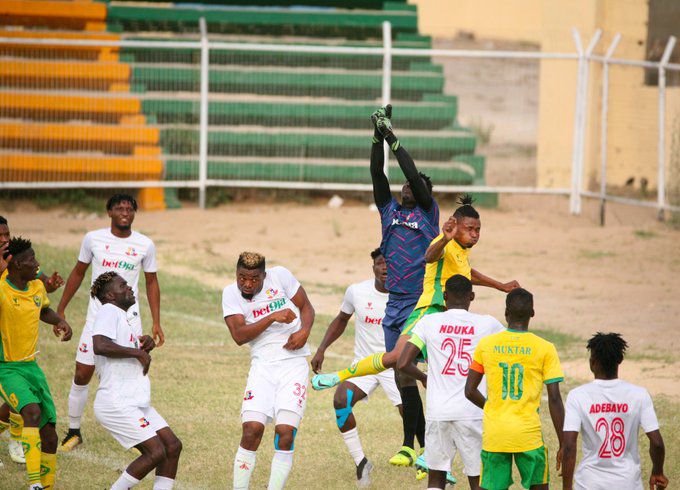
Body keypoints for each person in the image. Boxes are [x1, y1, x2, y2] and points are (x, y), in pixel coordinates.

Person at [313, 105, 439, 466]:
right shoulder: (389, 211)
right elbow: (376, 174)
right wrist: (376, 136)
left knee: (404, 363)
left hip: (419, 301)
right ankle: (415, 449)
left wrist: (394, 139)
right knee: (402, 374)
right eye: (406, 187)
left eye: (415, 186)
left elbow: (413, 175)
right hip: (395, 305)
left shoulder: (427, 214)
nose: (407, 187)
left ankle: (424, 442)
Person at [57, 194, 165, 451]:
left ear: (135, 213)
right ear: (109, 212)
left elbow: (151, 282)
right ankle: (74, 430)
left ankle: (135, 426)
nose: (125, 212)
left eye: (129, 208)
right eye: (119, 208)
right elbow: (78, 272)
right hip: (97, 319)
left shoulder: (145, 245)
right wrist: (61, 309)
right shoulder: (93, 239)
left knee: (129, 374)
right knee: (82, 374)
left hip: (129, 322)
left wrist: (157, 322)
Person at [398, 275, 505, 489]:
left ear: (445, 296)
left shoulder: (429, 322)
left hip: (438, 412)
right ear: (472, 296)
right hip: (472, 413)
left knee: (436, 478)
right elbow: (508, 348)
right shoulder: (488, 324)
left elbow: (403, 363)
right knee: (478, 479)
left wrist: (425, 378)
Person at [223, 252, 315, 489]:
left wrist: (304, 331)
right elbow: (239, 336)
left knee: (285, 434)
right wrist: (273, 317)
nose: (247, 284)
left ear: (265, 275)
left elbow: (306, 307)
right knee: (251, 430)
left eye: (254, 279)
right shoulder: (230, 293)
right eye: (242, 277)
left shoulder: (281, 276)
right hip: (262, 366)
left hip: (293, 364)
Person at [310, 248, 401, 486]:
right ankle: (361, 462)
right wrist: (321, 349)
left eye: (389, 263)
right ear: (373, 267)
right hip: (364, 365)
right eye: (380, 263)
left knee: (411, 415)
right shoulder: (357, 292)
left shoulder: (406, 295)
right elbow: (341, 320)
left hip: (396, 365)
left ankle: (434, 464)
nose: (385, 268)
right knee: (341, 400)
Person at [465, 288, 565, 490]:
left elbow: (469, 390)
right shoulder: (545, 348)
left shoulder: (487, 345)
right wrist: (564, 443)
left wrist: (492, 407)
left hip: (496, 433)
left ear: (506, 313)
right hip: (529, 435)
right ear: (532, 313)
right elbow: (554, 398)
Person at [90, 271, 182, 490]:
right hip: (116, 402)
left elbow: (119, 347)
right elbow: (100, 345)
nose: (129, 287)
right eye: (123, 286)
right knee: (156, 451)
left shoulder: (123, 317)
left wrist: (143, 345)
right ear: (111, 296)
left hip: (135, 401)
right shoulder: (108, 311)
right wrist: (137, 354)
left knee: (172, 446)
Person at [0, 237, 72, 489]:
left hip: (31, 367)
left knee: (50, 435)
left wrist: (59, 321)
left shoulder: (36, 288)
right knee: (31, 411)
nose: (37, 263)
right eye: (31, 260)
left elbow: (42, 310)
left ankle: (47, 485)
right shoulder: (1, 290)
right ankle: (34, 485)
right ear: (17, 265)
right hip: (6, 367)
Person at [562, 332, 668, 490]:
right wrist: (657, 471)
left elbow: (569, 446)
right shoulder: (639, 394)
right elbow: (658, 443)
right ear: (620, 360)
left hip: (589, 483)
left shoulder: (577, 396)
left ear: (592, 363)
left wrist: (566, 488)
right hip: (627, 483)